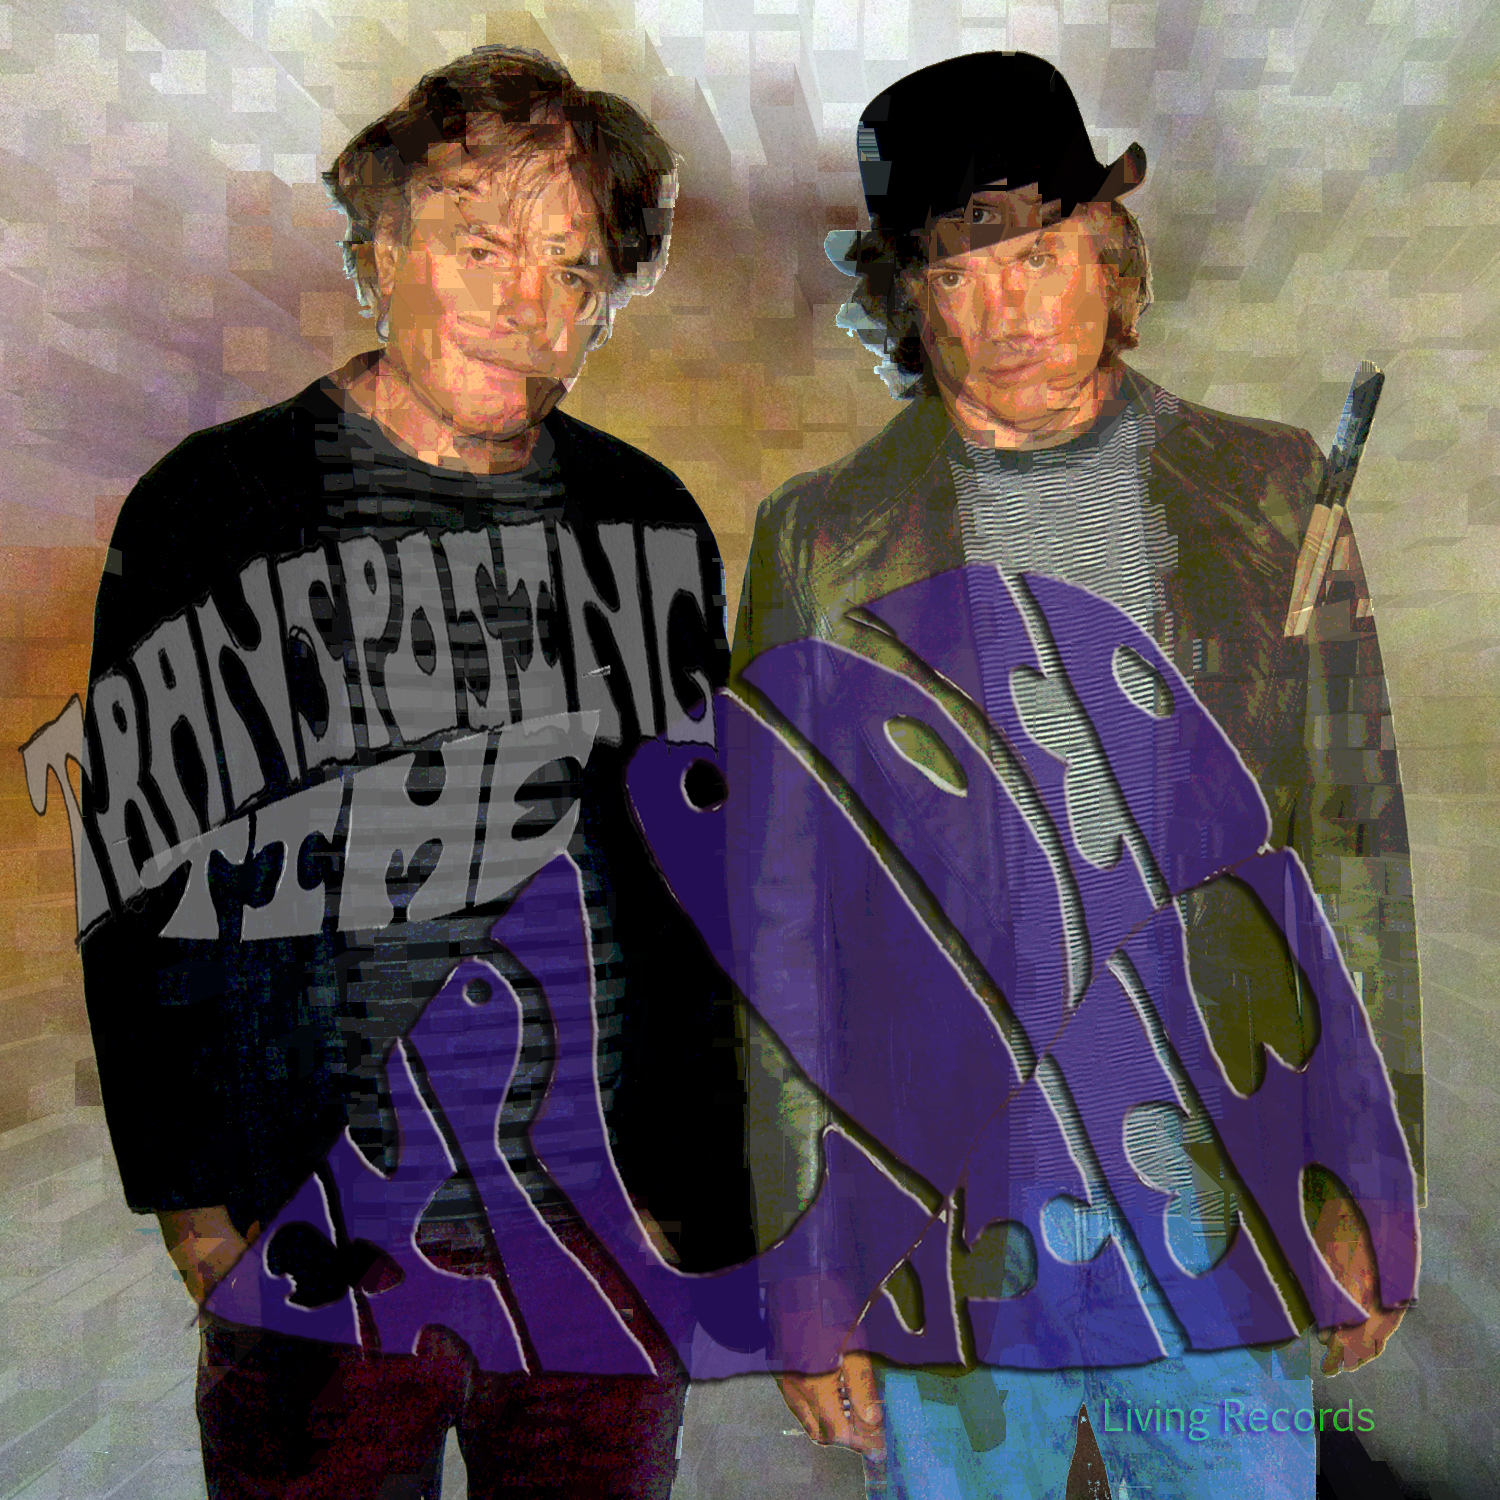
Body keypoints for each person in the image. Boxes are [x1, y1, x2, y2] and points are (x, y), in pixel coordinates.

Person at [730, 51, 1421, 1500]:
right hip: (948, 1223)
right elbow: (782, 926)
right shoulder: (821, 538)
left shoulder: (1272, 492)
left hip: (1227, 1203)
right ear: (911, 296)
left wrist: (1369, 1178)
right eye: (957, 270)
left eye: (1036, 254)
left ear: (1109, 254)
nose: (1006, 310)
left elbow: (1348, 853)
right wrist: (804, 1257)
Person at [77, 44, 751, 1500]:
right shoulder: (213, 512)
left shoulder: (644, 519)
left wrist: (694, 1200)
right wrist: (193, 1198)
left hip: (592, 1248)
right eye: (481, 243)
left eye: (573, 269)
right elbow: (135, 888)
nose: (526, 304)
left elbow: (699, 882)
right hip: (319, 1238)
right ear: (381, 246)